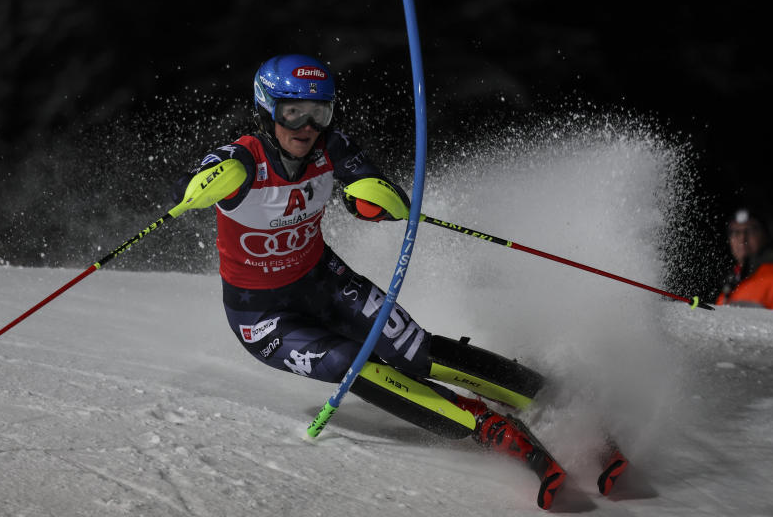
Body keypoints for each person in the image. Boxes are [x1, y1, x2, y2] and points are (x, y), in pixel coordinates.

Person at [172, 54, 566, 509]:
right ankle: (486, 428)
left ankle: (538, 392)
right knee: (349, 363)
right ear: (267, 110)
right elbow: (189, 186)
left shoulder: (330, 146)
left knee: (412, 348)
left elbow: (373, 185)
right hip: (262, 316)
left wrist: (372, 201)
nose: (306, 125)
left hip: (323, 281)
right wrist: (200, 186)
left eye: (319, 111)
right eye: (291, 111)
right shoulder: (242, 159)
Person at [716, 207, 773, 311]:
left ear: (765, 235)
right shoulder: (731, 281)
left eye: (750, 230)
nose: (742, 238)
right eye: (735, 232)